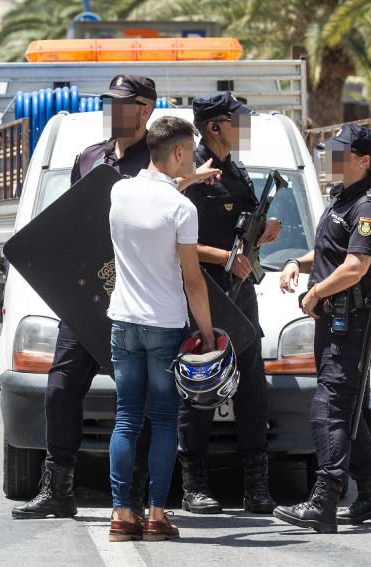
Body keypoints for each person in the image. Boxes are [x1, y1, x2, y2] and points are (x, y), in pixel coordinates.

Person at [13, 74, 216, 521]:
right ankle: (58, 486)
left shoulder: (161, 160)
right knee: (60, 387)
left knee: (140, 404)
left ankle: (138, 495)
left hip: (139, 302)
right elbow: (71, 225)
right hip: (89, 299)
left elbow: (172, 233)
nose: (115, 111)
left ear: (147, 109)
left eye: (125, 104)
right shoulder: (89, 158)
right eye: (111, 103)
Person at [274, 124, 371, 533]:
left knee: (328, 405)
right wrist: (298, 262)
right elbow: (331, 251)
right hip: (338, 318)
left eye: (340, 153)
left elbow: (355, 266)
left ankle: (324, 500)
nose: (331, 158)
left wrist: (313, 296)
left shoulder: (370, 207)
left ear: (363, 161)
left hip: (354, 320)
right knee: (349, 406)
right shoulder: (344, 200)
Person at [106, 116, 216, 543]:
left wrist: (186, 182)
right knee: (166, 420)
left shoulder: (119, 191)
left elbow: (156, 196)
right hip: (165, 324)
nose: (192, 160)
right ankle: (155, 513)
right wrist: (206, 333)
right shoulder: (181, 209)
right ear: (176, 153)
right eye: (189, 152)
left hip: (123, 322)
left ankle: (120, 514)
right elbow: (193, 280)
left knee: (126, 419)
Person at [177, 92, 281, 515]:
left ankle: (256, 483)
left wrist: (267, 228)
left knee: (252, 385)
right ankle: (193, 483)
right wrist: (224, 258)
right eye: (239, 119)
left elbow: (249, 220)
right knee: (202, 383)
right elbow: (174, 240)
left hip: (243, 291)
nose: (247, 126)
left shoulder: (236, 169)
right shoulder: (190, 173)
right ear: (214, 126)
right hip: (203, 291)